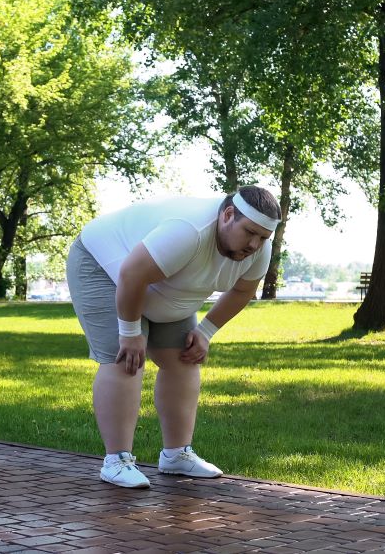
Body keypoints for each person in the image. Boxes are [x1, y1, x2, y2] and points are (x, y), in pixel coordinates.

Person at [66, 185, 281, 488]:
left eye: (263, 237)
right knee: (126, 359)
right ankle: (116, 461)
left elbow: (243, 291)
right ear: (228, 215)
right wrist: (129, 333)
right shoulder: (188, 231)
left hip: (162, 283)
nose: (255, 244)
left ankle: (177, 455)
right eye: (249, 232)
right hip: (105, 265)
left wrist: (205, 332)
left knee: (184, 358)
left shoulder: (258, 250)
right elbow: (132, 274)